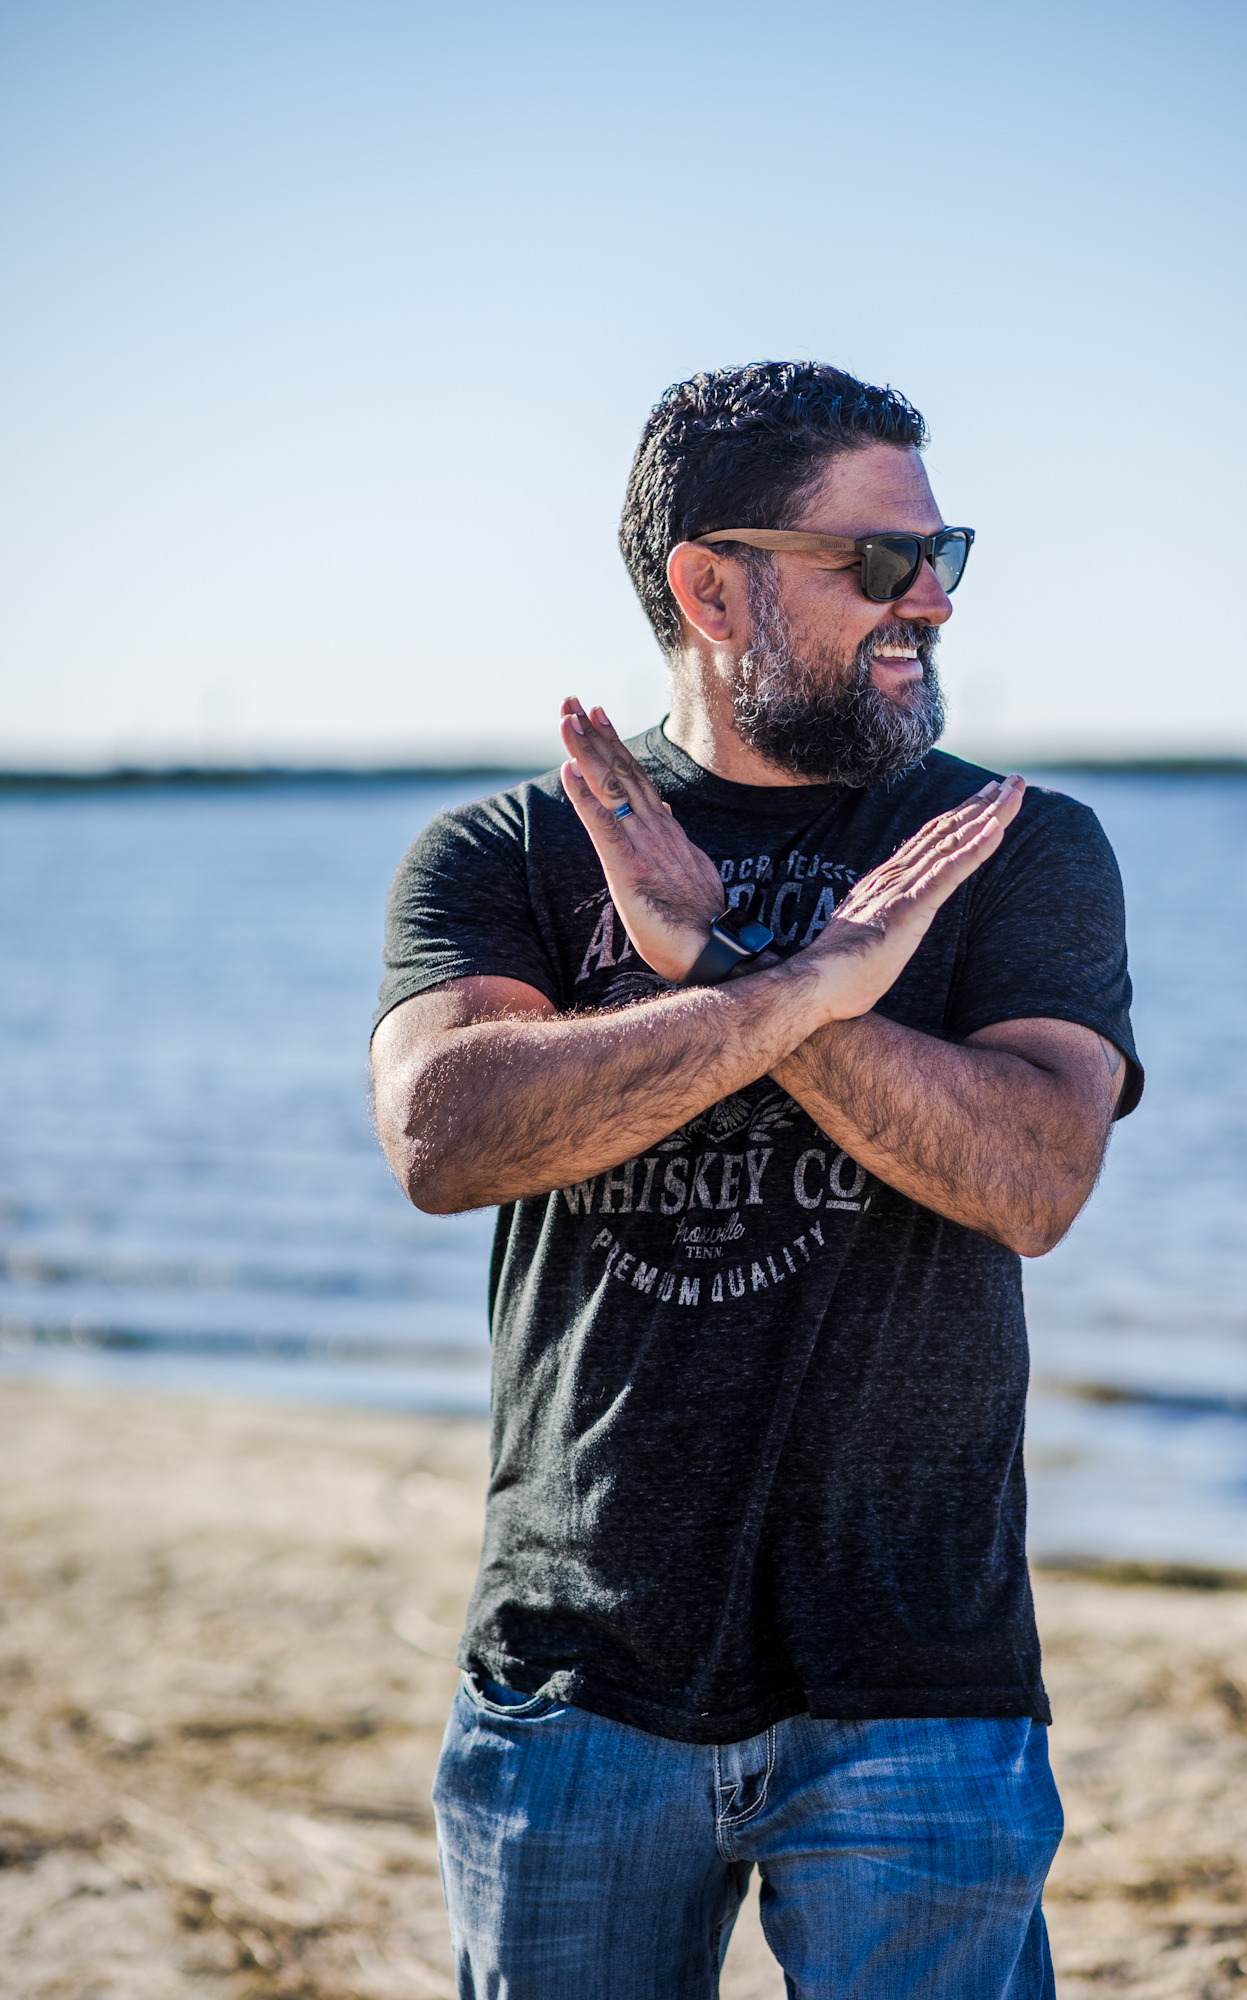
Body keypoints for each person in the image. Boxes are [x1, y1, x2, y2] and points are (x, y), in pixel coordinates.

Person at [370, 360, 1142, 1999]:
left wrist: (715, 963)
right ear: (710, 588)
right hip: (576, 1676)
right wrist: (798, 988)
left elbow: (1032, 1179)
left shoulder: (1011, 841)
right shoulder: (511, 851)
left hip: (920, 1681)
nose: (930, 598)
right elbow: (445, 1138)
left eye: (944, 553)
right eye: (880, 560)